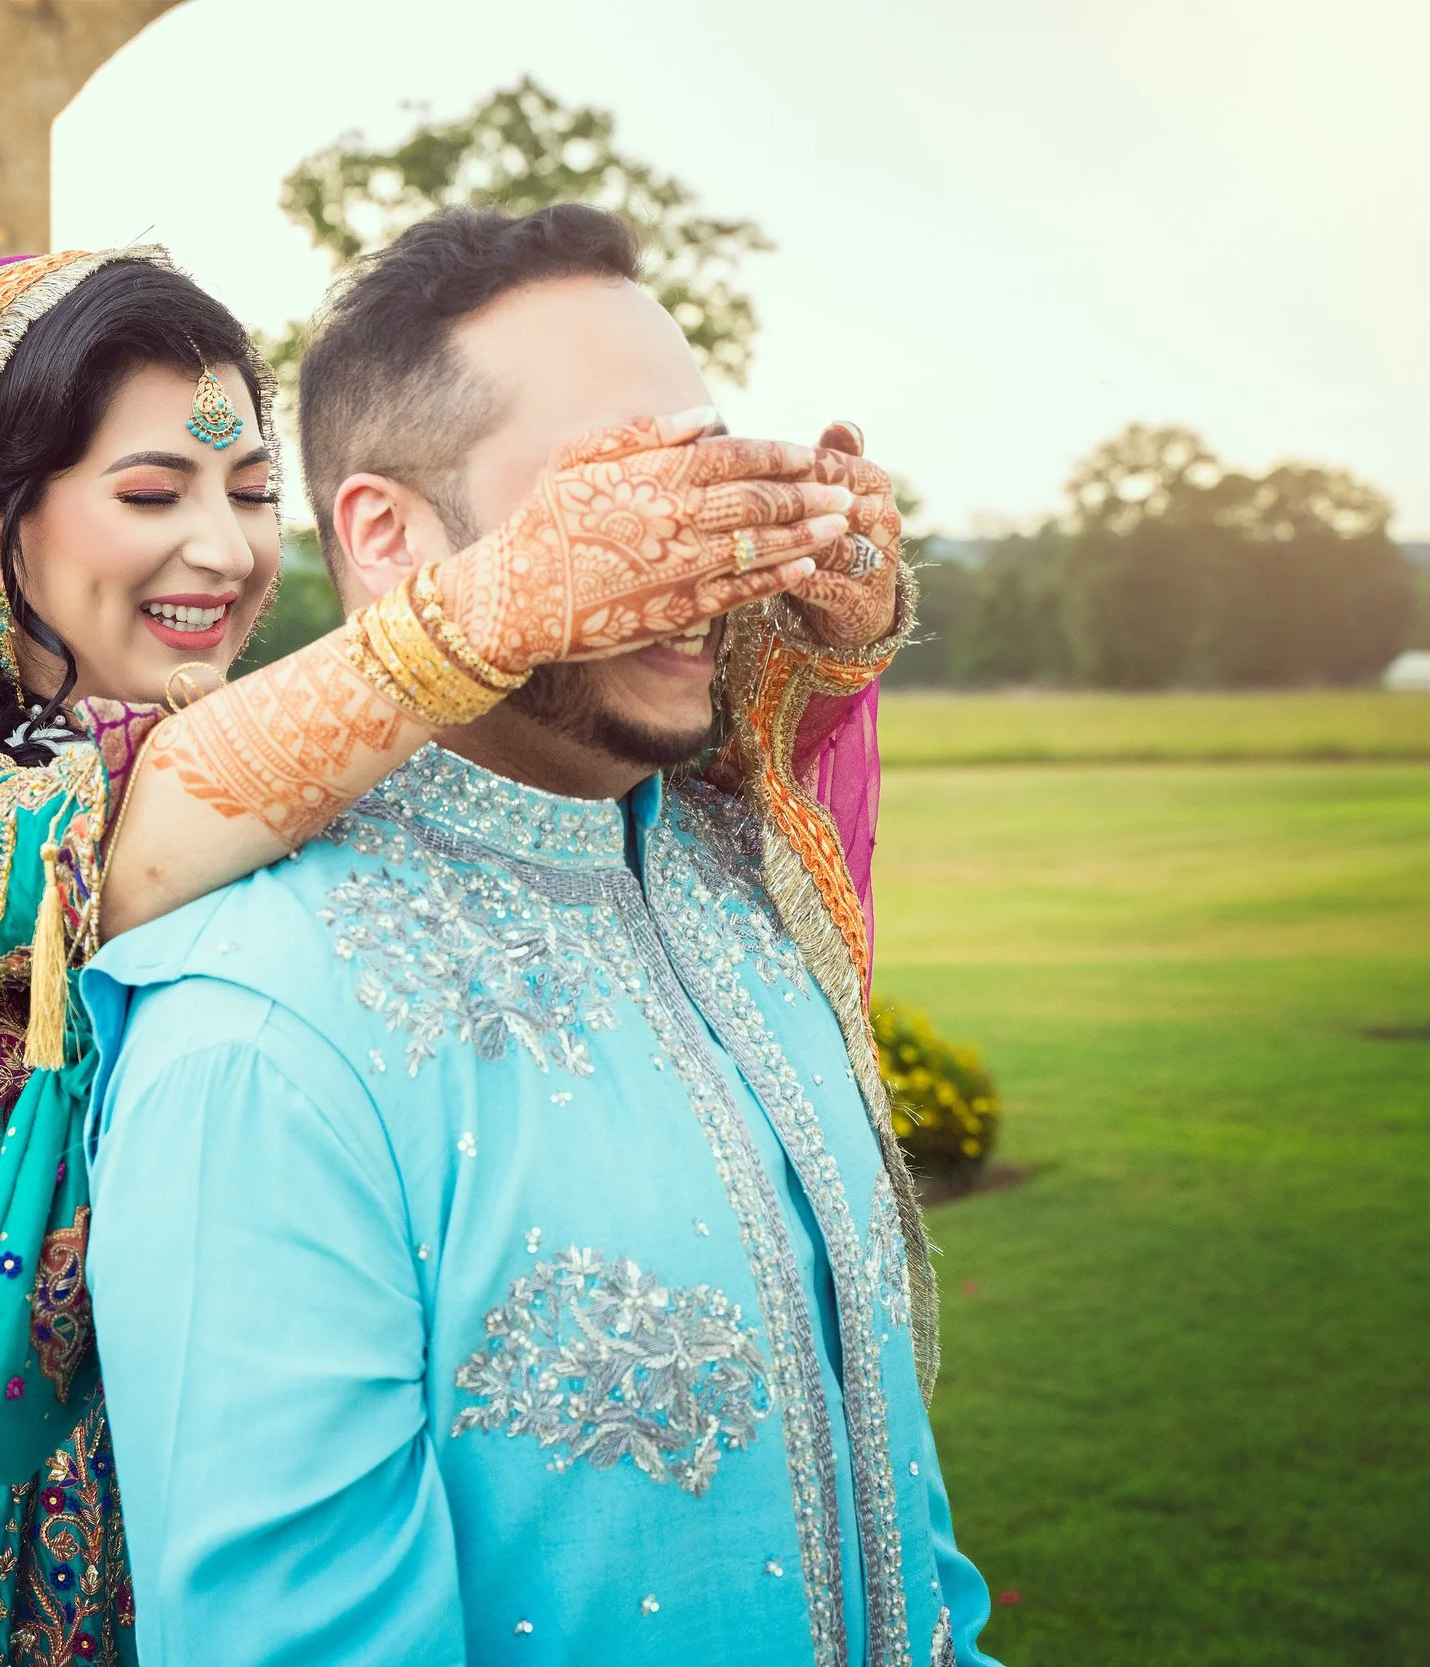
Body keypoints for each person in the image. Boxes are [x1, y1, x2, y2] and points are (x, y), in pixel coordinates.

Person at [0, 243, 868, 1667]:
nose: (226, 554)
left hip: (247, 1503)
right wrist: (494, 597)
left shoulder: (295, 791)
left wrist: (792, 612)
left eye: (249, 496)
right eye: (153, 493)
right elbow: (132, 829)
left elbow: (628, 802)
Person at [80, 204, 999, 1666]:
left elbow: (911, 1534)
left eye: (705, 474)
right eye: (619, 497)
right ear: (386, 541)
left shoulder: (742, 898)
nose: (694, 552)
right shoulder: (261, 1027)